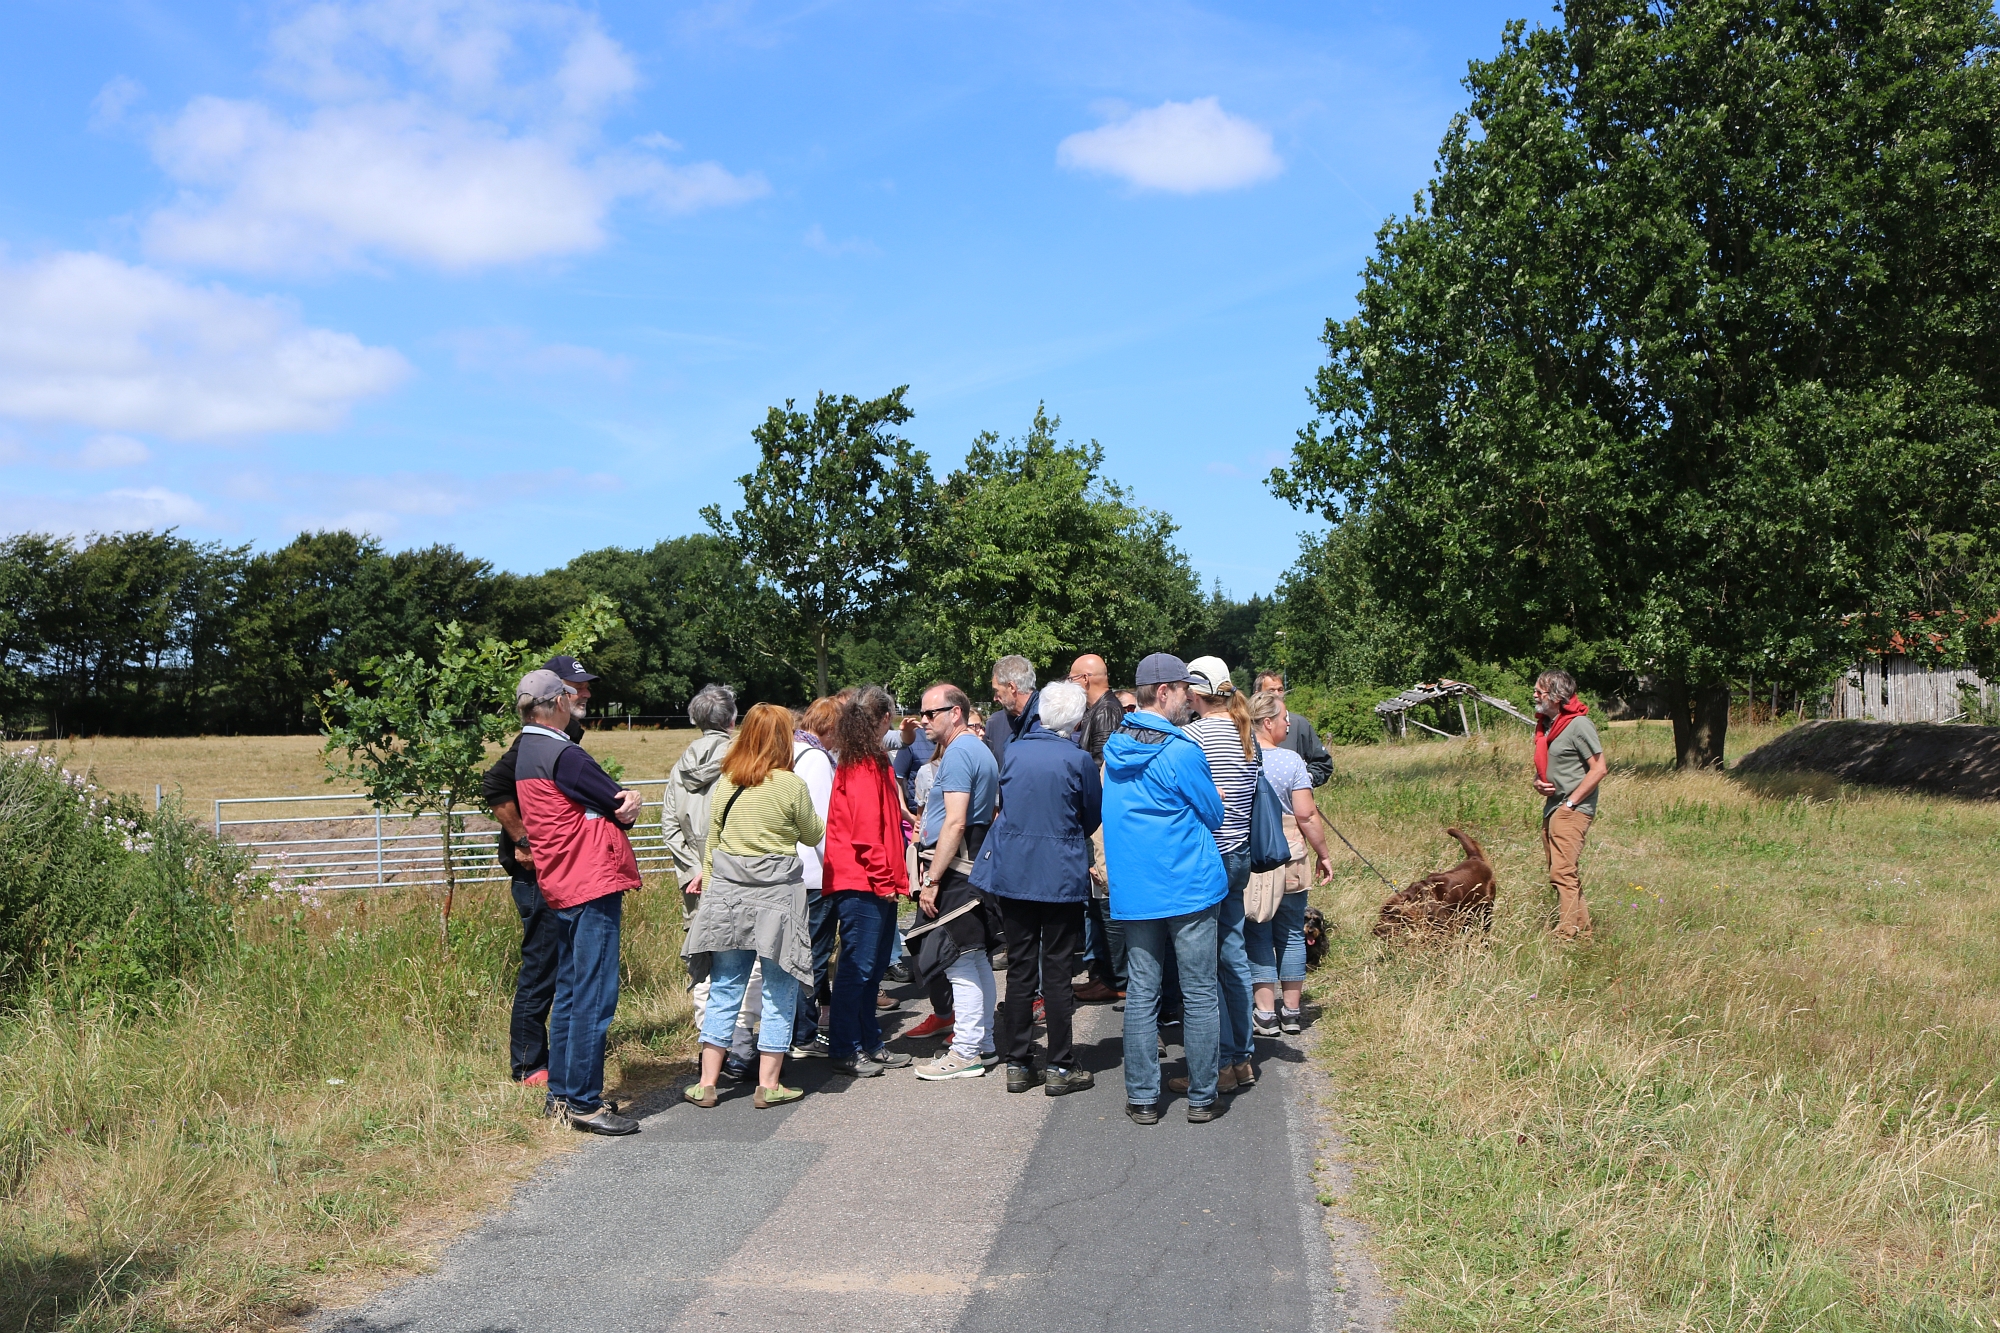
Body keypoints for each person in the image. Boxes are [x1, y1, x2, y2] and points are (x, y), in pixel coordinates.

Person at [512, 669, 644, 1135]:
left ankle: (562, 1097)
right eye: (569, 695)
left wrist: (609, 806)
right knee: (594, 995)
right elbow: (616, 799)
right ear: (556, 704)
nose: (576, 700)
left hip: (561, 882)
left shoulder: (526, 750)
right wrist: (624, 804)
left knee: (569, 992)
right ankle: (586, 1103)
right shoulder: (563, 753)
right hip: (590, 880)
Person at [1102, 653, 1227, 1125]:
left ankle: (1142, 1098)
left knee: (1142, 993)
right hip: (1188, 885)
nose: (1189, 699)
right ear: (1165, 691)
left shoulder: (1114, 751)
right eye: (1183, 689)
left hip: (1135, 888)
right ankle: (1201, 1096)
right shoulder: (1181, 751)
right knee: (1198, 992)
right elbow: (1214, 813)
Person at [680, 704, 825, 1109]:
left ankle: (708, 1082)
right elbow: (813, 832)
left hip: (728, 896)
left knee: (726, 986)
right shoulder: (790, 785)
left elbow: (713, 844)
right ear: (783, 738)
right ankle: (769, 1083)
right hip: (777, 898)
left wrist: (712, 888)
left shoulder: (728, 782)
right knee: (780, 987)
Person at [973, 680, 1100, 1094]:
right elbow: (1091, 815)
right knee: (1058, 971)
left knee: (1022, 968)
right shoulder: (1078, 759)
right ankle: (1059, 1066)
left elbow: (1008, 804)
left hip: (1016, 871)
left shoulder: (1014, 750)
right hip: (1060, 873)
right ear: (1077, 719)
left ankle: (1018, 1061)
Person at [481, 655, 597, 1087]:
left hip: (561, 867)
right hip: (536, 873)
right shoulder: (534, 739)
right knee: (541, 964)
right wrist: (523, 840)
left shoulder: (569, 732)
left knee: (561, 964)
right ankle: (528, 1063)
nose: (585, 693)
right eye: (578, 686)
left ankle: (554, 1055)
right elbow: (494, 784)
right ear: (556, 693)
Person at [907, 683, 1002, 1080]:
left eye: (932, 714)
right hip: (973, 863)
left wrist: (932, 879)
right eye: (923, 714)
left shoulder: (961, 751)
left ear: (956, 713)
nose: (924, 721)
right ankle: (983, 1043)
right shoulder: (974, 748)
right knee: (974, 957)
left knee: (957, 959)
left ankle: (965, 1051)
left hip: (960, 868)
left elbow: (956, 820)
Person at [820, 685, 914, 1076]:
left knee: (872, 967)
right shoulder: (860, 765)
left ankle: (870, 1041)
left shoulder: (871, 759)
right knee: (857, 968)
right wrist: (883, 879)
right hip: (861, 881)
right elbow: (863, 832)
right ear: (883, 719)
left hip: (874, 879)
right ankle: (844, 1047)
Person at [1181, 655, 1259, 1096]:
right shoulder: (1245, 731)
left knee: (1207, 963)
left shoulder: (1192, 736)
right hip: (1240, 853)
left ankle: (1225, 1062)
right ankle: (1243, 1058)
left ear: (1194, 693)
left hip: (1208, 856)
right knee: (1233, 952)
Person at [1245, 690, 1336, 1035]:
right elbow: (1306, 813)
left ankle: (1265, 1013)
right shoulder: (1291, 762)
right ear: (1267, 722)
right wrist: (1324, 855)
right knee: (1291, 934)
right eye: (1284, 718)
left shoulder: (1240, 757)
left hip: (1253, 855)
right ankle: (1292, 1012)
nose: (1289, 723)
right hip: (1291, 854)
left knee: (1257, 930)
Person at [1067, 654, 1125, 1005]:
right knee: (1095, 898)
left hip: (1101, 820)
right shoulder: (1098, 709)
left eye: (1072, 678)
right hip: (1096, 817)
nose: (1070, 684)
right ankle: (1105, 972)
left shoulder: (1105, 711)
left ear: (1086, 678)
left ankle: (1115, 977)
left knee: (1103, 895)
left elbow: (1101, 770)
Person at [1532, 669, 1606, 940]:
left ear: (1556, 696)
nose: (1535, 695)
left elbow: (1599, 769)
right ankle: (1584, 931)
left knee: (1562, 872)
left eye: (1539, 692)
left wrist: (1571, 804)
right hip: (1553, 807)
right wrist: (1538, 783)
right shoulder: (1546, 725)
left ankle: (1565, 933)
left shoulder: (1579, 724)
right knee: (1561, 871)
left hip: (1571, 809)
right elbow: (1550, 768)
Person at [787, 697, 839, 1056]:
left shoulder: (790, 751)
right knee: (813, 955)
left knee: (794, 954)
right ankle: (804, 1033)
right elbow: (821, 824)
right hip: (816, 872)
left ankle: (792, 1030)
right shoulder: (817, 759)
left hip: (789, 870)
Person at [662, 684, 737, 911]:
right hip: (737, 878)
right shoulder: (744, 762)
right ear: (731, 720)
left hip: (696, 883)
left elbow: (670, 827)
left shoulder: (679, 768)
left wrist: (696, 870)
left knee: (701, 943)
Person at [1253, 669, 1334, 786]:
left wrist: (1304, 779)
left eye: (1280, 690)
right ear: (1257, 694)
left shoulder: (1298, 723)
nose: (1277, 694)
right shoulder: (1245, 725)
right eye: (1271, 690)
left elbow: (1323, 763)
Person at [985, 654, 1040, 771]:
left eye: (997, 691)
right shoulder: (995, 723)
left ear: (1011, 687)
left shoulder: (1050, 717)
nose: (995, 698)